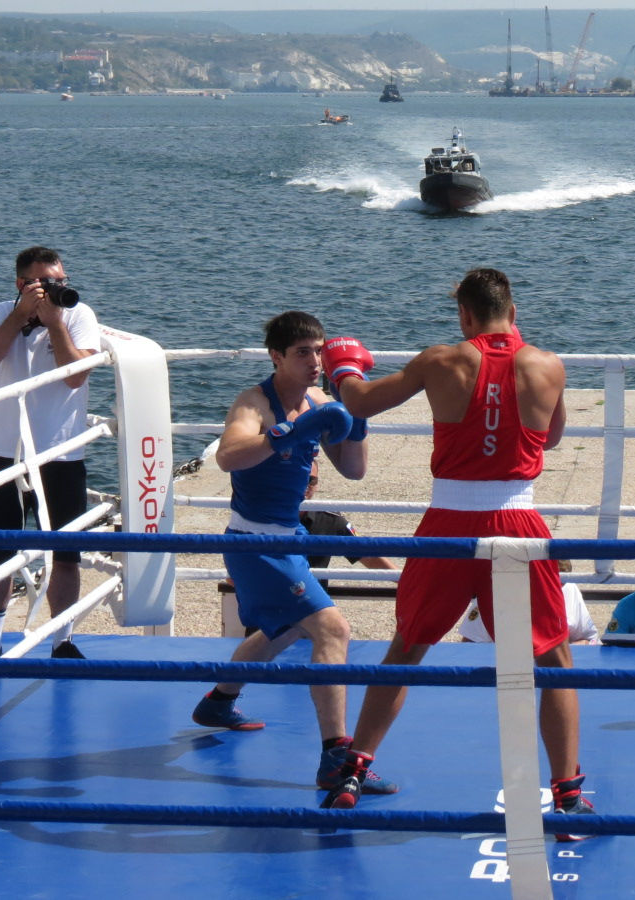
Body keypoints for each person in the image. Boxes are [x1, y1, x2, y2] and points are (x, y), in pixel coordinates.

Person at [320, 267, 594, 835]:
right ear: (512, 313)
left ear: (464, 315)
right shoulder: (549, 366)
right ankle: (566, 795)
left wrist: (343, 364)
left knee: (408, 648)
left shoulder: (440, 360)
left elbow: (361, 403)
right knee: (553, 659)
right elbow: (554, 436)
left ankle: (352, 772)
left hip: (448, 523)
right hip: (518, 521)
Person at [190, 311, 398, 798]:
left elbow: (353, 470)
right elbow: (228, 456)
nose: (315, 362)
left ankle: (219, 702)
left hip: (288, 538)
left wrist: (358, 421)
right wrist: (291, 432)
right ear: (277, 357)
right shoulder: (254, 403)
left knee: (281, 631)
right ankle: (336, 757)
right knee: (332, 628)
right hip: (253, 541)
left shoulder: (321, 400)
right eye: (303, 353)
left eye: (320, 351)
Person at [0, 246, 101, 660]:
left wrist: (54, 322)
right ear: (22, 284)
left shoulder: (78, 315)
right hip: (5, 451)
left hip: (61, 454)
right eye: (46, 282)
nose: (56, 288)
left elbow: (76, 376)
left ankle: (62, 640)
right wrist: (18, 317)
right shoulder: (3, 312)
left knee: (65, 555)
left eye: (60, 281)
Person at [299, 467, 397, 589]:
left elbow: (366, 555)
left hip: (312, 600)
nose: (305, 484)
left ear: (317, 484)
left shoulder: (329, 519)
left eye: (311, 480)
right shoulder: (268, 518)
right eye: (298, 476)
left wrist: (404, 579)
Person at [460, 561, 600, 645]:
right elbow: (469, 645)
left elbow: (590, 639)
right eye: (546, 581)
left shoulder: (568, 588)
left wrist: (578, 646)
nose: (555, 588)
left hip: (556, 673)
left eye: (559, 583)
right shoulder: (496, 591)